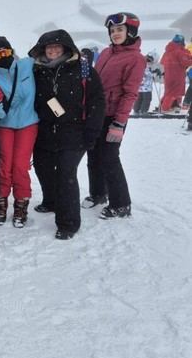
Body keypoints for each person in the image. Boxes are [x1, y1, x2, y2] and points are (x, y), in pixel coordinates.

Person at [29, 29, 105, 239]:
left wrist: (91, 132)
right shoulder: (37, 70)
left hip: (74, 132)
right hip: (44, 131)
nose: (52, 50)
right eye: (49, 47)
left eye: (57, 46)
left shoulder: (83, 69)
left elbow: (97, 102)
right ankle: (51, 201)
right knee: (43, 168)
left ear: (66, 47)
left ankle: (68, 223)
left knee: (65, 174)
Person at [85, 13, 145, 219]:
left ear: (131, 31)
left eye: (120, 29)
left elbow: (130, 93)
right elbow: (95, 81)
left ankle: (121, 204)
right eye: (112, 31)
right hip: (97, 114)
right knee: (93, 155)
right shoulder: (105, 53)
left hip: (113, 116)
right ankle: (98, 193)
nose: (115, 34)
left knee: (109, 158)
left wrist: (119, 123)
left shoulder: (136, 59)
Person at [0, 37, 39, 228]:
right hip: (5, 125)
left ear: (12, 51)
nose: (4, 56)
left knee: (20, 166)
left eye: (7, 52)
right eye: (0, 53)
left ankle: (21, 204)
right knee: (4, 165)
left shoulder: (27, 66)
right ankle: (0, 203)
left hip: (27, 122)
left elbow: (47, 61)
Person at [160, 34, 192, 113]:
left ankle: (163, 107)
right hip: (177, 75)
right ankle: (165, 109)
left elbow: (162, 62)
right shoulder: (179, 52)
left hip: (168, 75)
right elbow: (185, 62)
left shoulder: (167, 52)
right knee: (173, 93)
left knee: (168, 92)